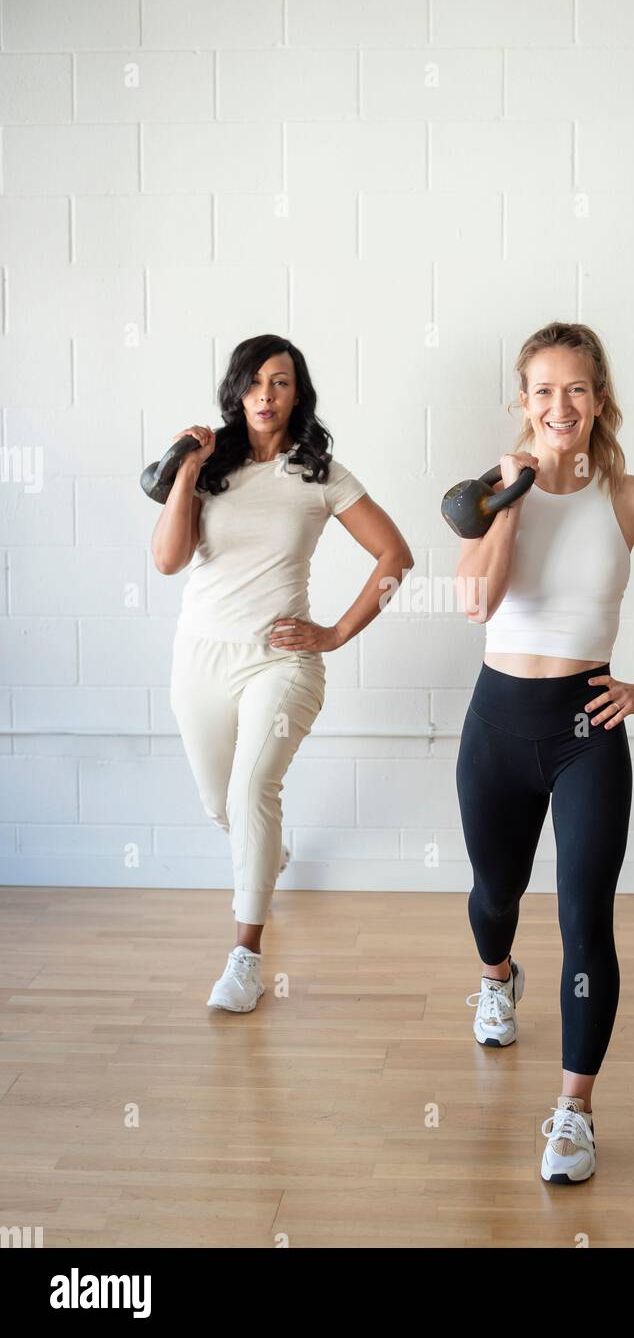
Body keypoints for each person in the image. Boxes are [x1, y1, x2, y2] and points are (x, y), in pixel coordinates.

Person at [455, 321, 634, 1184]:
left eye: (577, 389)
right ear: (523, 401)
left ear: (599, 399)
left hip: (586, 731)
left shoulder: (630, 496)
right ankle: (497, 976)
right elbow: (474, 601)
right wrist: (511, 497)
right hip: (497, 723)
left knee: (586, 923)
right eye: (543, 390)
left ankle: (573, 1111)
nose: (560, 405)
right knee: (494, 896)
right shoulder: (494, 492)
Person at [150, 333, 413, 1012]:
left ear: (298, 394)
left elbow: (395, 557)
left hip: (283, 660)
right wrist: (185, 471)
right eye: (254, 382)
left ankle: (245, 958)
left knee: (250, 792)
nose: (266, 396)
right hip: (200, 657)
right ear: (236, 391)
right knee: (222, 804)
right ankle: (267, 857)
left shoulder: (319, 474)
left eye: (281, 382)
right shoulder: (209, 469)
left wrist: (334, 632)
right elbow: (167, 560)